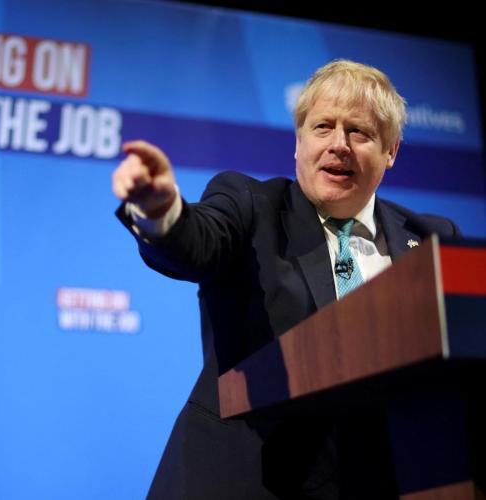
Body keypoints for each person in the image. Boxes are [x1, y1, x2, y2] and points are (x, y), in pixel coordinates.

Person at [112, 60, 460, 499]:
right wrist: (161, 210)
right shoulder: (250, 206)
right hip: (245, 481)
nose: (339, 145)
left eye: (359, 132)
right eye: (323, 127)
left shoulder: (432, 238)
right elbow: (197, 242)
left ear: (390, 152)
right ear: (298, 142)